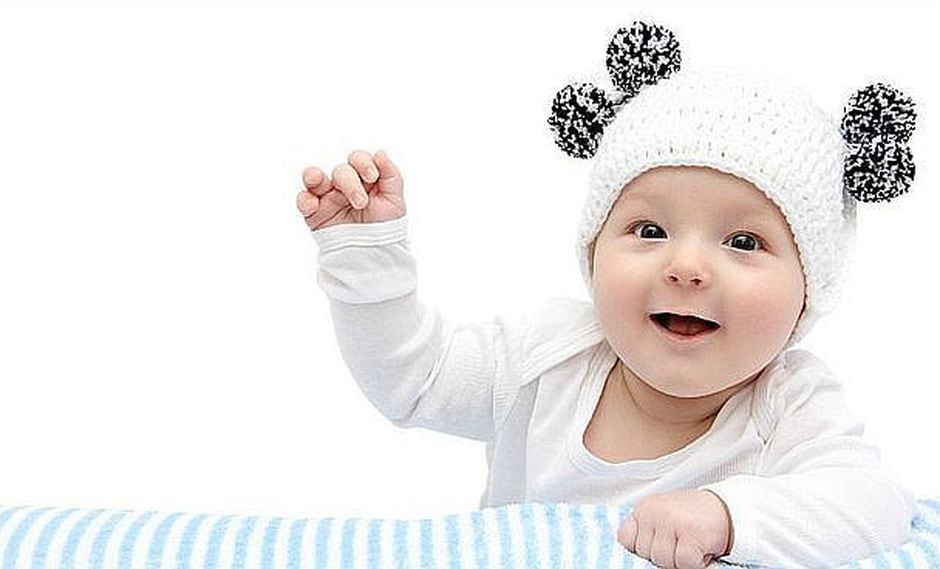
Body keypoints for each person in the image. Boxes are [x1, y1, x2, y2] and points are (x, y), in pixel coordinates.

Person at [294, 20, 918, 569]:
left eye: (744, 242)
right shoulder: (546, 356)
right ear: (593, 254)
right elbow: (417, 380)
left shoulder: (789, 403)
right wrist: (367, 260)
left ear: (809, 292)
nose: (686, 267)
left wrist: (729, 516)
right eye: (649, 231)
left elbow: (875, 503)